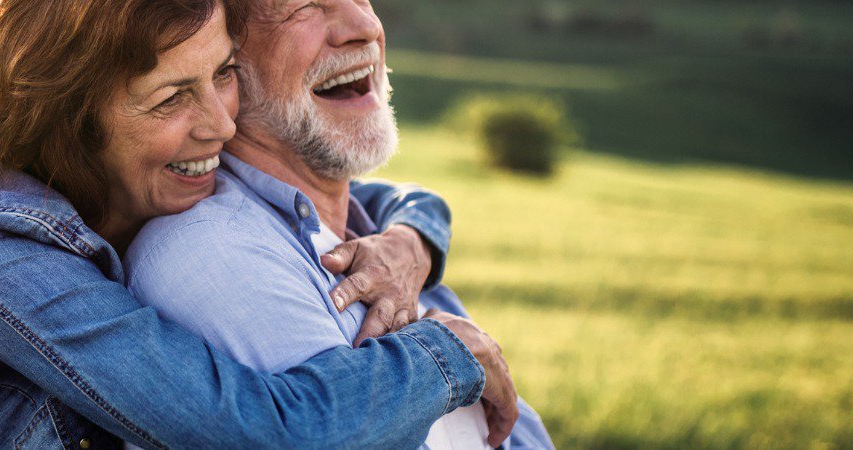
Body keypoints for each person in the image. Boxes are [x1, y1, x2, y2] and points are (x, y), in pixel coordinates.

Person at [0, 0, 514, 448]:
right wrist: (449, 354)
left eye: (221, 74)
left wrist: (409, 239)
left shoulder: (135, 193)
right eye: (170, 99)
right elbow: (260, 435)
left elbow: (380, 194)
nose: (220, 123)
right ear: (68, 121)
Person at [122, 0, 556, 448]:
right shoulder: (211, 253)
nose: (365, 26)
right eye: (303, 7)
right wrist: (451, 352)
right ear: (224, 61)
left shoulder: (383, 241)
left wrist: (414, 235)